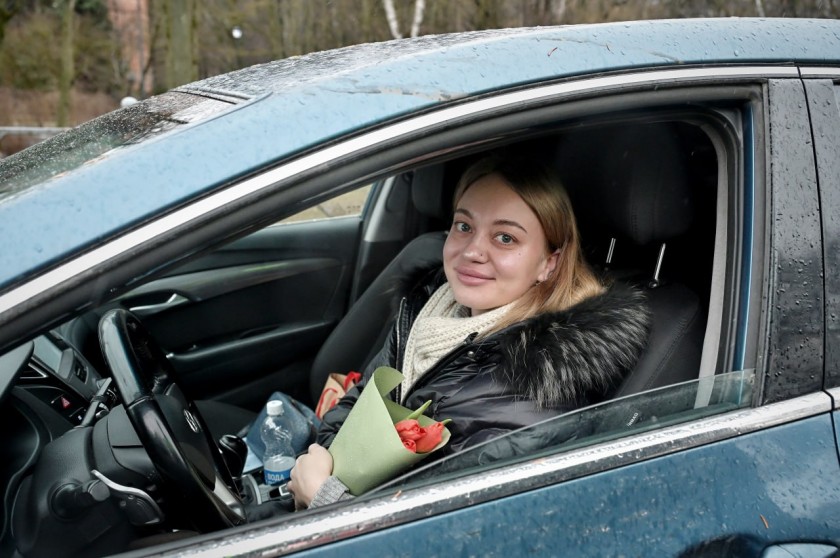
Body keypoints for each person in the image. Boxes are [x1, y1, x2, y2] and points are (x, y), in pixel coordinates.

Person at [287, 154, 650, 509]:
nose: (472, 251)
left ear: (549, 263)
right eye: (464, 226)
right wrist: (323, 459)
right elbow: (362, 397)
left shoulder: (536, 391)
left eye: (505, 238)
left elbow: (436, 536)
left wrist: (326, 497)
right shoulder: (429, 310)